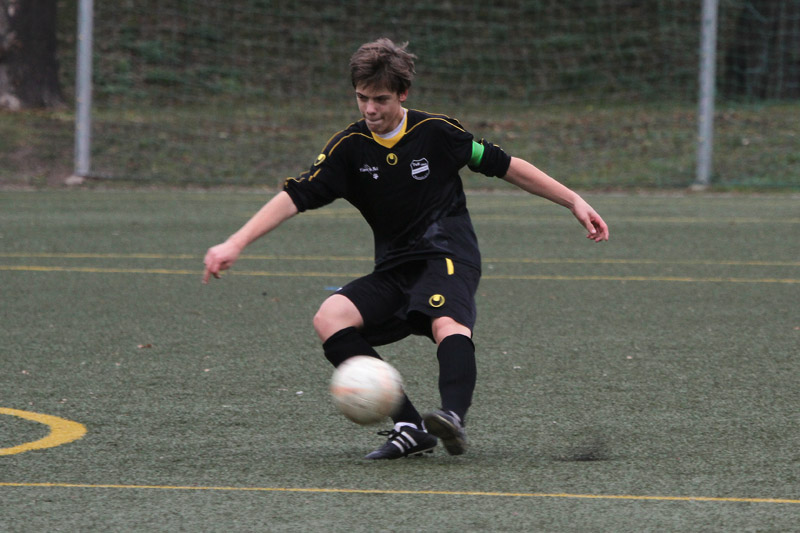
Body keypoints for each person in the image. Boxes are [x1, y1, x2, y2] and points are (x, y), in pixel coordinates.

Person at [203, 38, 609, 460]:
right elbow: (296, 196)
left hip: (446, 256)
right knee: (330, 317)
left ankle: (452, 416)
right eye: (362, 98)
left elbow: (506, 166)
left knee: (447, 322)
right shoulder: (348, 148)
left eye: (380, 99)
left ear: (403, 94)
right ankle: (410, 427)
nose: (370, 109)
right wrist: (235, 242)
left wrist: (574, 201)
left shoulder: (436, 133)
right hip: (394, 268)